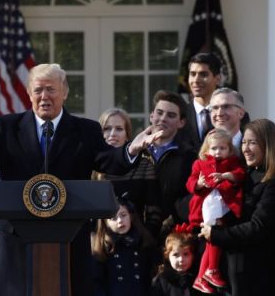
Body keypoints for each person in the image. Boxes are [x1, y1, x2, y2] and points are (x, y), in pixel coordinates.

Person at [0, 63, 156, 295]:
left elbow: (109, 161)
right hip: (18, 239)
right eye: (38, 90)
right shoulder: (8, 127)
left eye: (51, 89)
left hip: (70, 238)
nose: (44, 96)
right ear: (28, 94)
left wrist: (131, 149)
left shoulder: (86, 130)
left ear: (64, 92)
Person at [199, 119, 275, 296]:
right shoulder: (245, 174)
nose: (246, 148)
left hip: (256, 276)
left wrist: (216, 234)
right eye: (244, 142)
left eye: (252, 142)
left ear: (268, 145)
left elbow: (258, 227)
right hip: (233, 271)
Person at [186, 129, 245, 294]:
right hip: (208, 204)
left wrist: (228, 176)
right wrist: (199, 184)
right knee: (214, 235)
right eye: (214, 148)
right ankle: (211, 270)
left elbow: (240, 175)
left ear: (229, 149)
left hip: (224, 204)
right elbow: (190, 183)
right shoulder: (199, 163)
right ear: (206, 150)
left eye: (222, 148)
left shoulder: (232, 162)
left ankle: (201, 277)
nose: (218, 152)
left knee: (212, 240)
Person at [138, 90, 197, 232]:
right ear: (152, 116)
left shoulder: (190, 157)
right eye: (159, 113)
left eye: (171, 115)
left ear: (181, 122)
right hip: (133, 232)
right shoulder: (134, 151)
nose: (163, 118)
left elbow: (191, 197)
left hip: (172, 236)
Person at [95, 108, 161, 233]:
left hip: (137, 242)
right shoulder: (91, 166)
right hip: (99, 243)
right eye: (107, 128)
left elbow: (154, 211)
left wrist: (145, 239)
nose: (112, 133)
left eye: (119, 129)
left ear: (127, 134)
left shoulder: (144, 165)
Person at [91, 197, 156, 295]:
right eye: (113, 218)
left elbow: (153, 277)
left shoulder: (143, 243)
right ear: (106, 223)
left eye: (123, 215)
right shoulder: (103, 247)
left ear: (130, 216)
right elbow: (97, 282)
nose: (120, 220)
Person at [151, 223, 199, 296]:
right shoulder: (162, 280)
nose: (181, 259)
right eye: (176, 255)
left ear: (193, 256)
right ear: (168, 256)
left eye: (186, 254)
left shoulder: (199, 279)